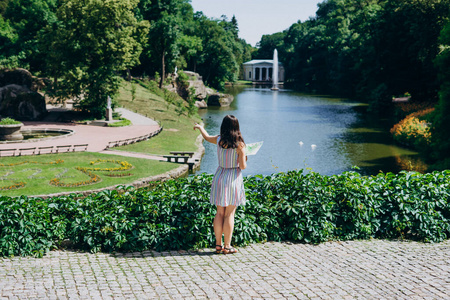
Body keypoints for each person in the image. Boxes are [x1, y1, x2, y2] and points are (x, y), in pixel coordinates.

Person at [194, 115, 247, 254]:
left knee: (219, 212)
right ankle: (227, 246)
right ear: (237, 127)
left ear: (223, 126)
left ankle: (218, 245)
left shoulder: (218, 140)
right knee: (229, 214)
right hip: (233, 178)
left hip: (219, 176)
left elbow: (206, 137)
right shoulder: (240, 145)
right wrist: (244, 156)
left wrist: (200, 127)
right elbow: (242, 166)